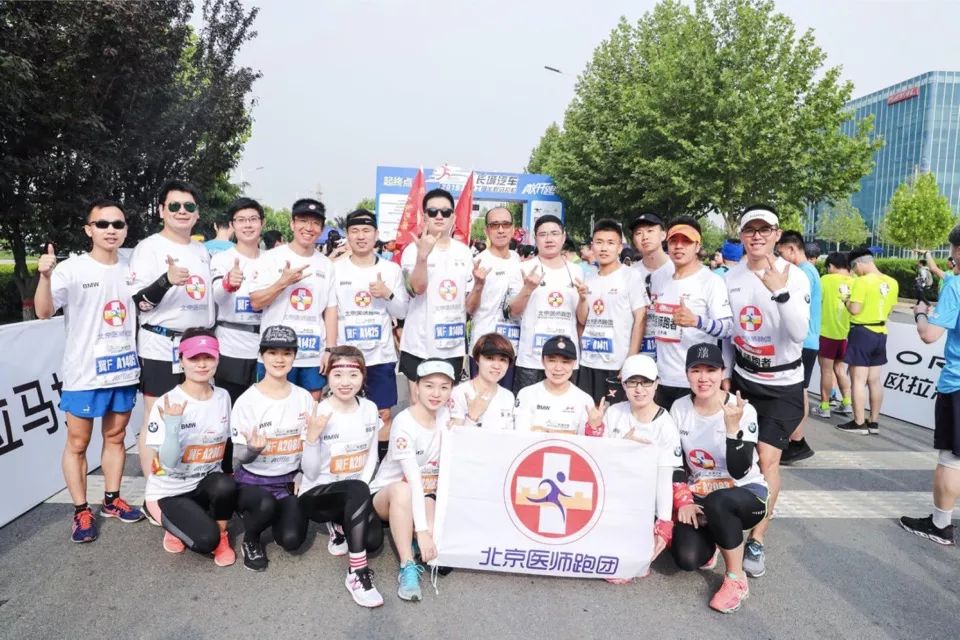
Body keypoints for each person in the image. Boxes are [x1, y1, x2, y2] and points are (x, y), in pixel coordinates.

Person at [35, 198, 144, 542]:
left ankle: (112, 500)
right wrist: (44, 277)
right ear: (89, 230)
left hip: (123, 369)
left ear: (125, 229)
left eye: (118, 224)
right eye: (102, 224)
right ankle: (81, 510)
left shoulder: (134, 266)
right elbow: (43, 311)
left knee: (116, 437)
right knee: (78, 442)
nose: (111, 230)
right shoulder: (72, 269)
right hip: (84, 374)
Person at [725, 204, 809, 579]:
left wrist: (780, 293)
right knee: (737, 459)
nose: (756, 236)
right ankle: (729, 521)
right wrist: (726, 374)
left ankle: (757, 539)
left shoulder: (795, 276)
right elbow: (731, 331)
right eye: (750, 230)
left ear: (777, 234)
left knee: (767, 460)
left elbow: (799, 333)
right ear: (742, 235)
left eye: (764, 230)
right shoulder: (731, 277)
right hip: (744, 380)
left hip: (782, 386)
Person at [130, 180, 215, 497]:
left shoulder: (201, 250)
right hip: (161, 344)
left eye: (189, 206)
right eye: (175, 206)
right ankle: (155, 492)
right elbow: (140, 303)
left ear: (197, 213)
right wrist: (165, 280)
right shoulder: (149, 248)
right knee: (157, 417)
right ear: (161, 210)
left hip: (198, 345)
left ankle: (186, 484)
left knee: (191, 415)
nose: (182, 211)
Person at [669, 343, 768, 613]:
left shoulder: (741, 408)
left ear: (722, 373)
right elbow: (675, 462)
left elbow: (740, 470)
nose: (703, 378)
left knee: (719, 502)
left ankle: (736, 578)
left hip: (745, 493)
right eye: (696, 370)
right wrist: (684, 501)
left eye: (711, 370)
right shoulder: (679, 407)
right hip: (701, 495)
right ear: (687, 374)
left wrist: (732, 429)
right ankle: (714, 537)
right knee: (687, 558)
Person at [299, 346, 385, 607]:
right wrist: (311, 439)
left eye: (353, 375)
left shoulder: (370, 408)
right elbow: (310, 472)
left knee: (372, 540)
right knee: (355, 490)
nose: (345, 382)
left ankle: (340, 526)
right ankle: (357, 573)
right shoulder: (319, 411)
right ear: (328, 377)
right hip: (317, 495)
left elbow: (372, 456)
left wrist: (364, 492)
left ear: (363, 377)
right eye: (337, 375)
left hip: (355, 494)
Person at [142, 328, 237, 566]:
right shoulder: (167, 402)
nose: (202, 364)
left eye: (208, 357)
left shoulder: (223, 396)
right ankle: (168, 520)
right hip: (170, 492)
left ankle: (222, 535)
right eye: (194, 358)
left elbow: (226, 443)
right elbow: (167, 462)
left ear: (218, 359)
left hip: (203, 485)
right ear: (181, 360)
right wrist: (173, 426)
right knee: (205, 541)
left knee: (226, 485)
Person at [370, 359, 455, 602]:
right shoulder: (404, 422)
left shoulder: (446, 416)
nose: (436, 393)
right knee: (403, 490)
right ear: (416, 387)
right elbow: (413, 480)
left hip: (424, 494)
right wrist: (423, 531)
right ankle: (407, 565)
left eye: (444, 387)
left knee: (438, 550)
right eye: (429, 386)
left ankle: (415, 540)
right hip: (388, 495)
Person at [230, 325, 313, 572]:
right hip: (252, 482)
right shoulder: (247, 401)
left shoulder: (304, 397)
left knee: (292, 540)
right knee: (265, 505)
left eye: (287, 353)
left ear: (294, 356)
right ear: (261, 355)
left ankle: (274, 515)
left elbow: (309, 444)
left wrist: (303, 474)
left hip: (287, 482)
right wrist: (253, 450)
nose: (279, 359)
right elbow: (238, 457)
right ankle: (251, 538)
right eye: (272, 352)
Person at [900, 223, 960, 546]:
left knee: (951, 459)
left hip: (957, 383)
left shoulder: (956, 286)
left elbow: (929, 335)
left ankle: (940, 524)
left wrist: (921, 313)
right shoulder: (952, 281)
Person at [331, 209, 407, 461]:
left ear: (376, 234)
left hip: (380, 356)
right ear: (347, 235)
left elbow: (402, 311)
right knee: (344, 410)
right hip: (346, 356)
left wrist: (387, 294)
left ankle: (379, 466)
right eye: (355, 231)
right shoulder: (335, 270)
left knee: (382, 414)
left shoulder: (391, 269)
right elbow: (329, 313)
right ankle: (349, 462)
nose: (361, 236)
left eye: (366, 231)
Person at [600, 354, 682, 583]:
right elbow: (600, 461)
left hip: (646, 501)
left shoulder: (666, 425)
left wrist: (664, 521)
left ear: (656, 383)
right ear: (623, 385)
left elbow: (665, 477)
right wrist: (622, 448)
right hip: (614, 494)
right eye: (632, 382)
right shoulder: (614, 413)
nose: (639, 389)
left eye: (645, 382)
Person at [249, 198, 336, 400]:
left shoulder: (326, 265)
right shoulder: (270, 258)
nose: (309, 228)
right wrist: (283, 282)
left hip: (312, 354)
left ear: (321, 229)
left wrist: (330, 350)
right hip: (276, 353)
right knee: (272, 405)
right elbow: (256, 302)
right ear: (292, 224)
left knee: (310, 407)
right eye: (303, 221)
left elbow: (330, 309)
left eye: (315, 223)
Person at [648, 217, 732, 410]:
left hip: (695, 381)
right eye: (673, 241)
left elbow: (728, 328)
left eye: (686, 241)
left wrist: (697, 321)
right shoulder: (658, 278)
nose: (679, 246)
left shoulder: (711, 281)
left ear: (697, 245)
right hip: (660, 379)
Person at [399, 188, 474, 398]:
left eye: (445, 212)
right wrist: (422, 256)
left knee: (447, 406)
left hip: (452, 344)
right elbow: (416, 289)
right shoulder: (412, 251)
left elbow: (468, 301)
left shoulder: (464, 252)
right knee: (418, 406)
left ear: (453, 217)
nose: (439, 216)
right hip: (418, 345)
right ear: (424, 217)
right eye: (433, 212)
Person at [508, 215, 589, 393]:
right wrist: (528, 288)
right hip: (532, 359)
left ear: (563, 236)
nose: (549, 239)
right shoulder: (523, 269)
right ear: (535, 238)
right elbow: (512, 312)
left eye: (554, 233)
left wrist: (583, 299)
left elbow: (582, 319)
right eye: (543, 234)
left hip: (566, 358)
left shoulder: (577, 271)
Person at [576, 219, 648, 405]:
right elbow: (582, 321)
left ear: (619, 247)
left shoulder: (630, 276)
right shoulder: (588, 279)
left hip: (617, 363)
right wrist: (582, 299)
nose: (604, 248)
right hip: (588, 362)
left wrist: (630, 361)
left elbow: (640, 318)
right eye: (599, 242)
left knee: (615, 414)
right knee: (589, 414)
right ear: (592, 246)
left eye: (610, 243)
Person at [837, 248, 898, 435]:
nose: (855, 272)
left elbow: (855, 309)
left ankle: (858, 422)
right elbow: (889, 310)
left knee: (858, 380)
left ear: (859, 263)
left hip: (862, 332)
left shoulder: (862, 282)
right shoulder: (892, 282)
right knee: (874, 380)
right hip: (881, 332)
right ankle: (873, 422)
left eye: (854, 268)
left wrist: (845, 299)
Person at [210, 198, 264, 406]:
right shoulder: (222, 259)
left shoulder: (272, 260)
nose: (247, 225)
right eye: (241, 220)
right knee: (230, 408)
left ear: (262, 223)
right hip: (231, 345)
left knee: (261, 409)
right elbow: (216, 296)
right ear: (232, 225)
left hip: (265, 348)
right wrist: (228, 284)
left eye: (253, 219)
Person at [775, 231, 821, 464]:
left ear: (792, 249)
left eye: (781, 253)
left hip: (804, 341)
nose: (779, 259)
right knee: (799, 391)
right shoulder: (809, 270)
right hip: (807, 340)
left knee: (798, 392)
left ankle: (797, 441)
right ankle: (795, 440)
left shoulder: (802, 273)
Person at [465, 207, 522, 390]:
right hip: (485, 348)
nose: (501, 230)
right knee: (482, 400)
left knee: (507, 401)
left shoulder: (518, 260)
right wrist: (478, 285)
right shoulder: (478, 262)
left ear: (513, 229)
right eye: (495, 225)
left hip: (513, 348)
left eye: (505, 224)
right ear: (486, 230)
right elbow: (469, 309)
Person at [514, 336, 603, 434]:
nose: (558, 368)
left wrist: (595, 428)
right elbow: (521, 436)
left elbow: (584, 441)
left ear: (574, 363)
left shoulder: (585, 400)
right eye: (552, 361)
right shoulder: (526, 394)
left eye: (565, 362)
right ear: (543, 361)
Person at [813, 252, 854, 418]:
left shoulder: (825, 280)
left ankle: (824, 406)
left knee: (826, 371)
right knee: (840, 369)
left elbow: (816, 303)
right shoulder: (854, 282)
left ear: (831, 266)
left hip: (826, 332)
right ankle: (847, 403)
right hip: (845, 333)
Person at [629, 212, 674, 361]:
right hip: (639, 354)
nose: (645, 237)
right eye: (638, 233)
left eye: (650, 231)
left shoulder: (677, 269)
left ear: (663, 235)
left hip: (672, 355)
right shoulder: (629, 274)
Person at [449, 333, 516, 429]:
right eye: (490, 358)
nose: (496, 366)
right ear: (477, 360)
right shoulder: (459, 393)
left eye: (502, 360)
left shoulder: (508, 396)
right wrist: (472, 417)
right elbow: (453, 436)